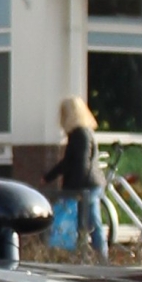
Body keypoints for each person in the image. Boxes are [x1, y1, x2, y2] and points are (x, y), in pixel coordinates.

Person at [42, 97, 107, 259]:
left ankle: (100, 258)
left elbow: (79, 165)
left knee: (90, 223)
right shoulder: (82, 133)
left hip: (86, 185)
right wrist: (49, 177)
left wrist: (73, 191)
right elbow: (68, 163)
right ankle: (97, 256)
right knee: (89, 222)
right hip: (90, 183)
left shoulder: (80, 135)